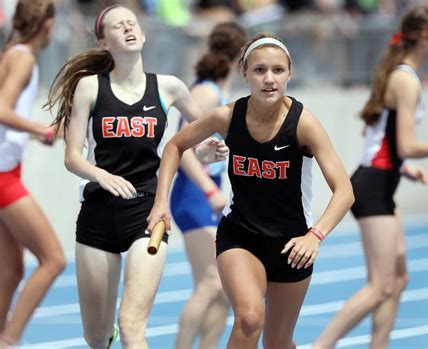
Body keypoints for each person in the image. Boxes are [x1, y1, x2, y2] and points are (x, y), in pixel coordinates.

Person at [147, 33, 355, 349]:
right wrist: (161, 201)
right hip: (240, 236)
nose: (268, 79)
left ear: (290, 73)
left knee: (277, 342)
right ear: (244, 74)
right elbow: (175, 145)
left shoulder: (303, 124)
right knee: (249, 318)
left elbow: (344, 191)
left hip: (292, 245)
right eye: (259, 70)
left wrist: (315, 235)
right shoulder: (228, 116)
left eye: (277, 70)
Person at [46, 5, 227, 348]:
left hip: (147, 213)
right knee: (96, 337)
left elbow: (200, 138)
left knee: (132, 326)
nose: (128, 29)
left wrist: (204, 154)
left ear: (142, 35)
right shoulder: (89, 88)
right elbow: (72, 157)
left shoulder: (169, 88)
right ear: (104, 42)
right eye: (118, 26)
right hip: (98, 214)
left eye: (132, 23)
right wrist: (100, 175)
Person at [313, 6, 428, 349]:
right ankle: (321, 346)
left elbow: (380, 140)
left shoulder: (400, 75)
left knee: (397, 279)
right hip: (372, 187)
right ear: (424, 37)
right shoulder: (404, 80)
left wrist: (404, 168)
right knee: (380, 285)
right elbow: (406, 144)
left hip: (382, 180)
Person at [170, 22, 247, 349]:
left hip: (210, 195)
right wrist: (209, 189)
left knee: (224, 288)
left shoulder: (218, 91)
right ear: (241, 55)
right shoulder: (205, 92)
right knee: (210, 282)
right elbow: (181, 147)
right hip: (194, 196)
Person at [0, 0, 66, 347]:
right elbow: (1, 109)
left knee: (11, 272)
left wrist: (34, 133)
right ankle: (8, 340)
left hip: (7, 170)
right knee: (53, 259)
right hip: (2, 177)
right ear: (48, 25)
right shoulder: (23, 56)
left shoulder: (15, 52)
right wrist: (43, 130)